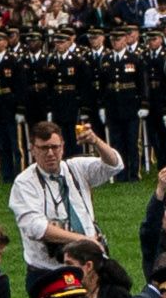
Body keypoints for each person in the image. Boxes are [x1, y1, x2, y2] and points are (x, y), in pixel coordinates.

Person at [7, 117, 123, 278]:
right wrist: (84, 240)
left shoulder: (76, 167)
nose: (50, 153)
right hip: (50, 269)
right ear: (32, 149)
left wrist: (96, 141)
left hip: (90, 263)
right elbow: (37, 228)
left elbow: (114, 165)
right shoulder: (24, 183)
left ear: (62, 147)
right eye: (43, 148)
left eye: (55, 147)